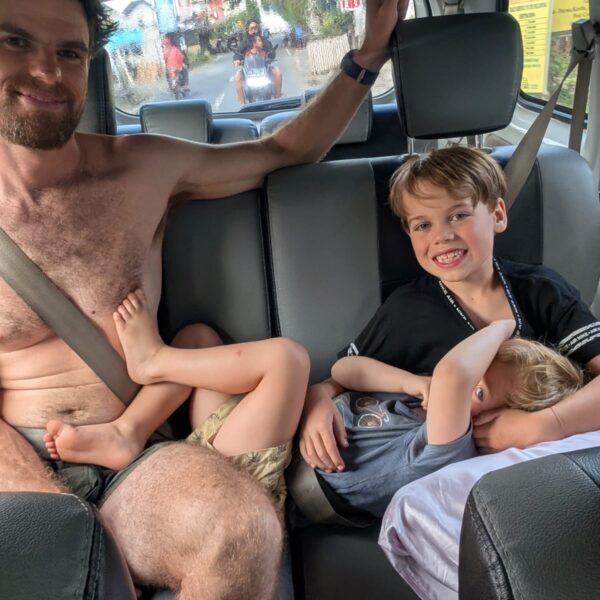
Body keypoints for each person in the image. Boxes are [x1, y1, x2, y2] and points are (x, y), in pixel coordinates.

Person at [0, 0, 405, 597]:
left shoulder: (143, 169)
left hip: (140, 456)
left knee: (242, 531)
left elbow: (286, 151)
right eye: (15, 42)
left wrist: (367, 57)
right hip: (19, 465)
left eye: (69, 53)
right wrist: (64, 530)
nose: (47, 71)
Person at [300, 146, 600, 478]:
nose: (442, 236)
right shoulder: (408, 309)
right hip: (453, 476)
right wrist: (318, 400)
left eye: (458, 216)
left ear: (498, 215)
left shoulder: (541, 291)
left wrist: (547, 425)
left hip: (550, 463)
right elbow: (341, 377)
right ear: (409, 234)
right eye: (422, 225)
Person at [44, 289, 304, 513]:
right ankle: (127, 431)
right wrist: (321, 396)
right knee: (198, 339)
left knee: (287, 360)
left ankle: (154, 360)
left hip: (244, 491)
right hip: (235, 451)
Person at [317, 319, 585, 516]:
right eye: (477, 370)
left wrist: (503, 326)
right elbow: (342, 370)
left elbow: (453, 374)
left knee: (293, 358)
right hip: (309, 421)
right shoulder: (424, 392)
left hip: (309, 476)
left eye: (479, 392)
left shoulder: (451, 448)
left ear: (500, 419)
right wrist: (409, 382)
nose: (469, 383)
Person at [233, 19, 282, 103]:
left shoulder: (263, 40)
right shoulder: (244, 42)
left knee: (278, 73)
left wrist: (270, 56)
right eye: (252, 28)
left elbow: (271, 51)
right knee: (237, 77)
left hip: (264, 68)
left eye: (255, 28)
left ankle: (277, 98)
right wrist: (237, 60)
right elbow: (237, 53)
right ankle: (243, 103)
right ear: (248, 30)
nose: (254, 30)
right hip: (248, 70)